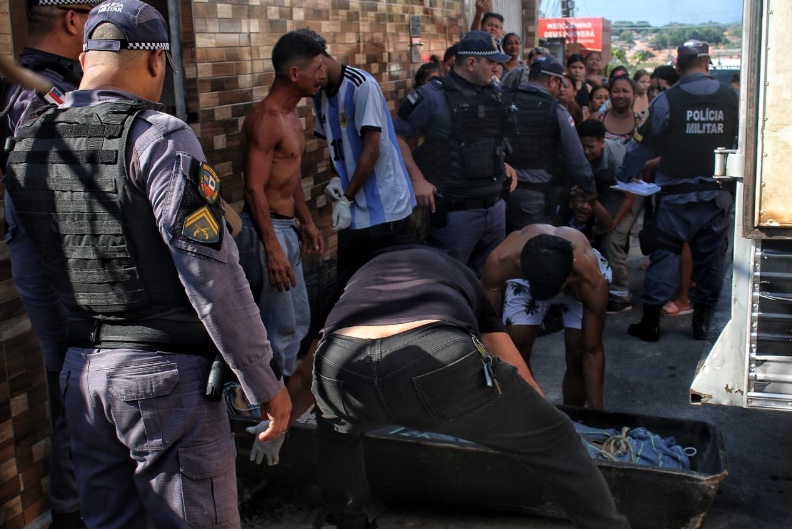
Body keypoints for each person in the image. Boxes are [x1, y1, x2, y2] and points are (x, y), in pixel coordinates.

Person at [4, 1, 291, 526]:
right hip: (167, 382)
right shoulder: (158, 135)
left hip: (83, 378)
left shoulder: (29, 141)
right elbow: (209, 273)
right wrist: (262, 380)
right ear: (157, 60)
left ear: (84, 57)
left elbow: (30, 272)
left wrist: (63, 361)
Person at [312, 244, 630, 529]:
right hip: (436, 353)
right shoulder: (457, 271)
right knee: (556, 438)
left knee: (336, 433)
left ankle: (348, 520)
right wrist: (540, 420)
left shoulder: (356, 279)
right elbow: (506, 355)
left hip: (340, 362)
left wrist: (285, 422)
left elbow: (305, 375)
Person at [0, 1, 101, 527]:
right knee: (77, 388)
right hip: (56, 264)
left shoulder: (46, 86)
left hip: (59, 261)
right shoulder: (37, 93)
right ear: (72, 20)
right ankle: (73, 513)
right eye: (94, 17)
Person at [615, 40, 738, 342]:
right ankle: (702, 323)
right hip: (716, 196)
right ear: (707, 63)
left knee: (665, 257)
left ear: (678, 65)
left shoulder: (666, 101)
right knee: (711, 261)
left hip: (676, 199)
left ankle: (651, 323)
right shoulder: (732, 98)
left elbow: (641, 146)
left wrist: (624, 174)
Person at [238, 32, 326, 378]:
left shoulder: (292, 116)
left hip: (286, 228)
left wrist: (307, 221)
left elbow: (289, 177)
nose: (322, 76)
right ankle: (270, 402)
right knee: (279, 327)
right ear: (294, 73)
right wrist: (272, 249)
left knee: (298, 319)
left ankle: (286, 393)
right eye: (317, 69)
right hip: (266, 231)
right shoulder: (266, 119)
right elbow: (253, 188)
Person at [394, 31, 516, 275]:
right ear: (471, 63)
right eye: (491, 62)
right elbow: (395, 136)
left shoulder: (492, 92)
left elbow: (486, 138)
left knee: (492, 281)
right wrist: (417, 179)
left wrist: (502, 163)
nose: (496, 68)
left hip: (495, 206)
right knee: (450, 280)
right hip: (456, 213)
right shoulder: (432, 96)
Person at [302, 28, 416, 284]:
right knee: (351, 285)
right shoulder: (318, 92)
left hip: (386, 209)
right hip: (354, 210)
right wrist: (335, 178)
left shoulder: (362, 85)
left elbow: (372, 149)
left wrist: (347, 199)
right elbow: (335, 144)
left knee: (390, 285)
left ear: (319, 60)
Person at [500, 56, 595, 232]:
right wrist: (589, 188)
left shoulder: (502, 100)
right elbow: (575, 157)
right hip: (533, 196)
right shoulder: (556, 110)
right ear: (552, 80)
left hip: (498, 192)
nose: (560, 89)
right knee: (532, 245)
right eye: (559, 84)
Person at [578, 119, 641, 313]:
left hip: (630, 193)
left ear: (602, 142)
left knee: (613, 239)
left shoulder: (617, 158)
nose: (586, 151)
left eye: (591, 147)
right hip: (605, 192)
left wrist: (613, 225)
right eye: (583, 146)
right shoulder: (580, 154)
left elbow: (629, 197)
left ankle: (621, 295)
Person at [590, 76, 642, 143]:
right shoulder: (596, 118)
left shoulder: (642, 122)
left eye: (625, 91)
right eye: (616, 91)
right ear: (610, 94)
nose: (620, 95)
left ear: (634, 95)